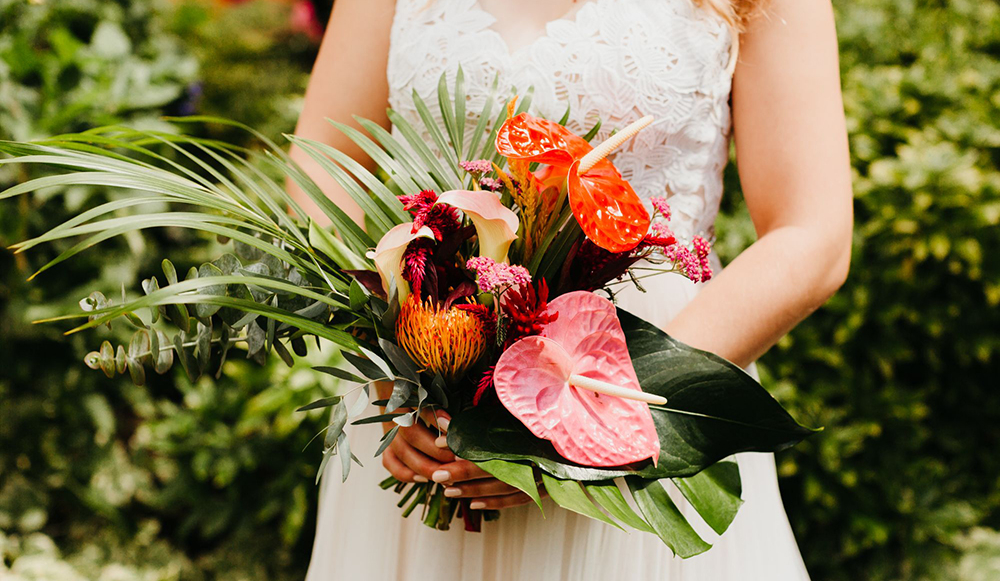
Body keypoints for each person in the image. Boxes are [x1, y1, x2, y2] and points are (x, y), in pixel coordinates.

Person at [289, 0, 853, 579]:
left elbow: (813, 234)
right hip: (420, 405)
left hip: (641, 384)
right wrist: (395, 367)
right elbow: (320, 183)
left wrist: (601, 405)